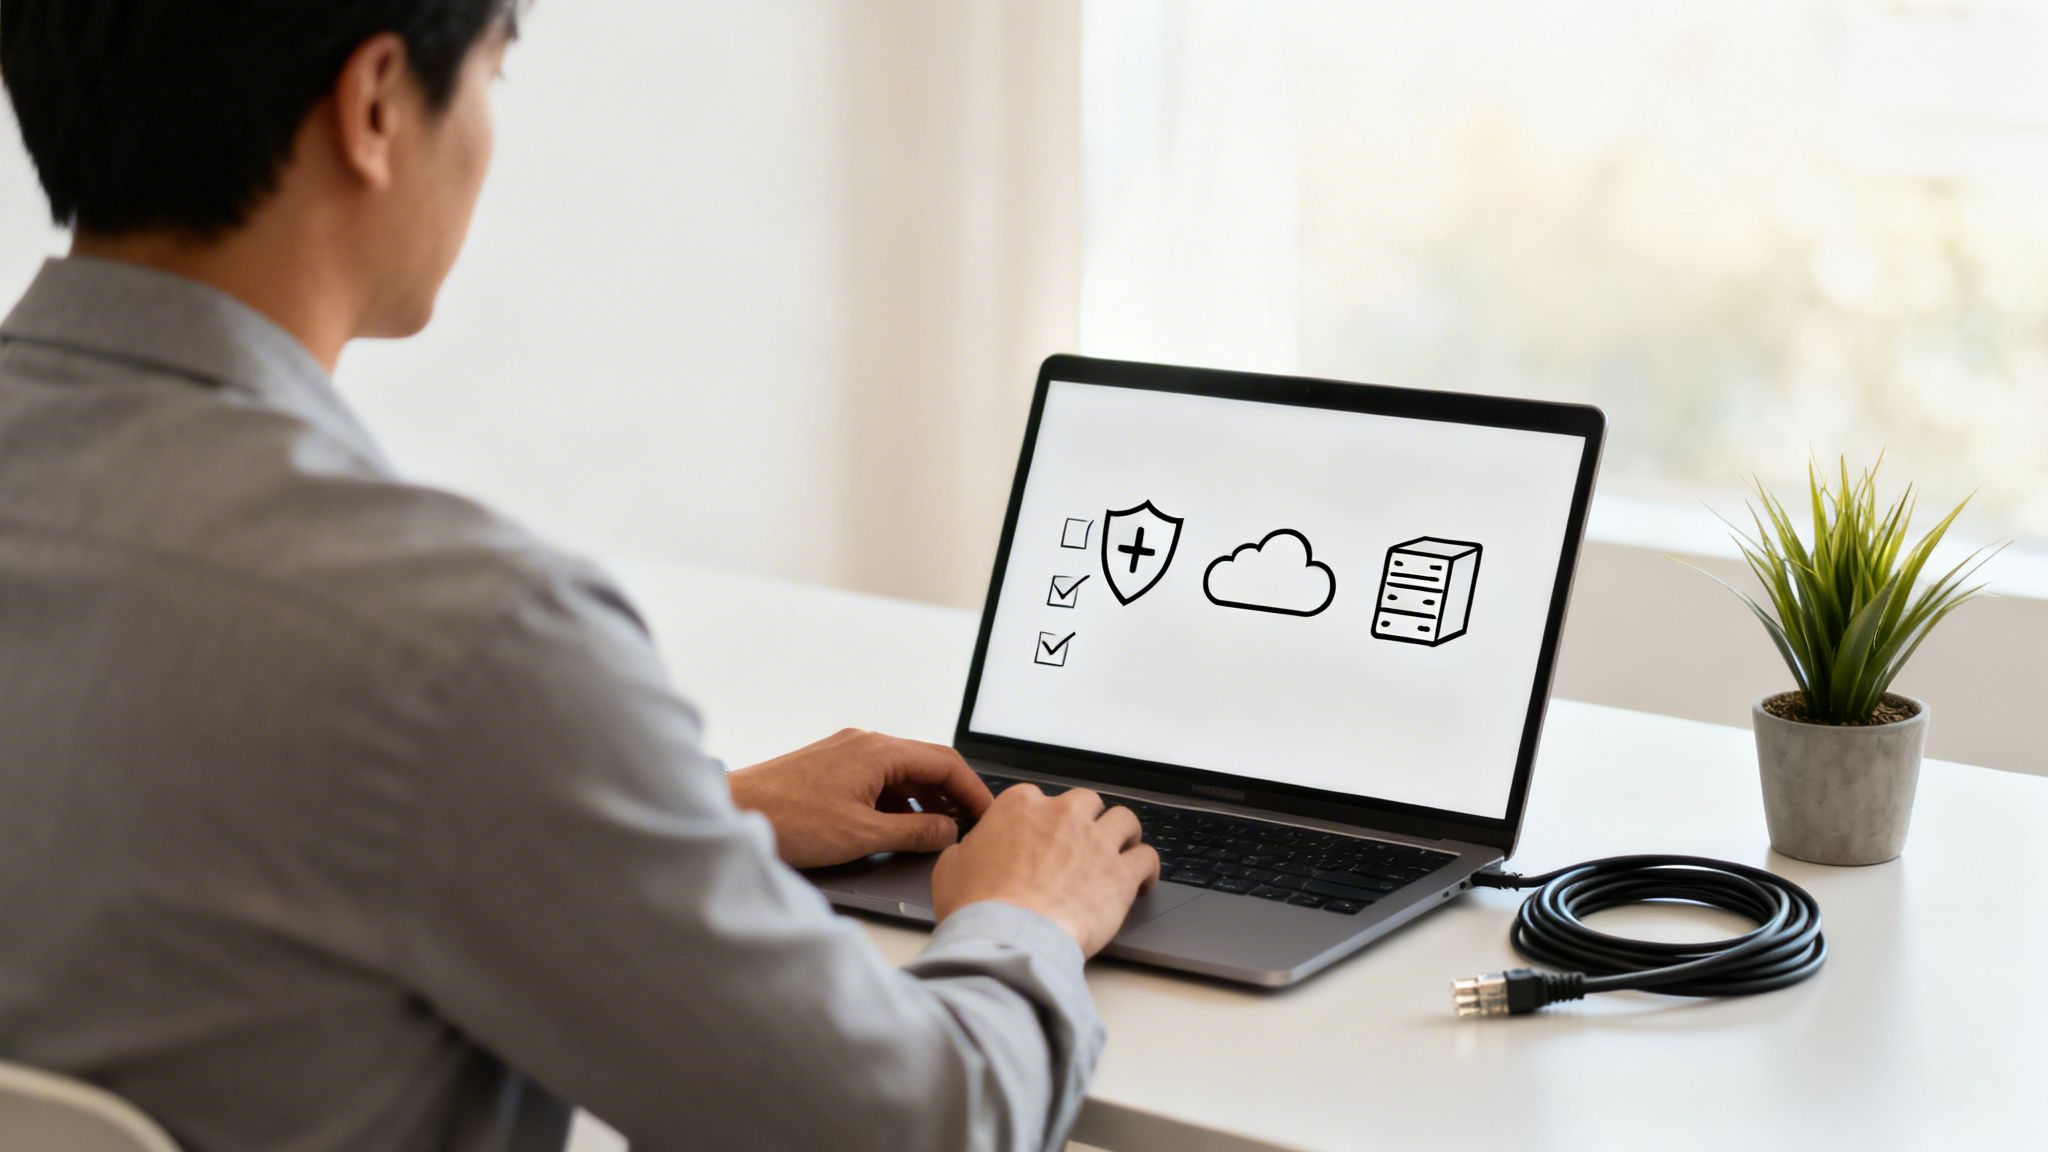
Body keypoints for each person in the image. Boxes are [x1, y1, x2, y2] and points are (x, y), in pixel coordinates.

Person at [0, 3, 1158, 1149]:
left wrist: (684, 816)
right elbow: (916, 1129)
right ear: (375, 106)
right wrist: (1027, 914)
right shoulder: (464, 641)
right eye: (492, 77)